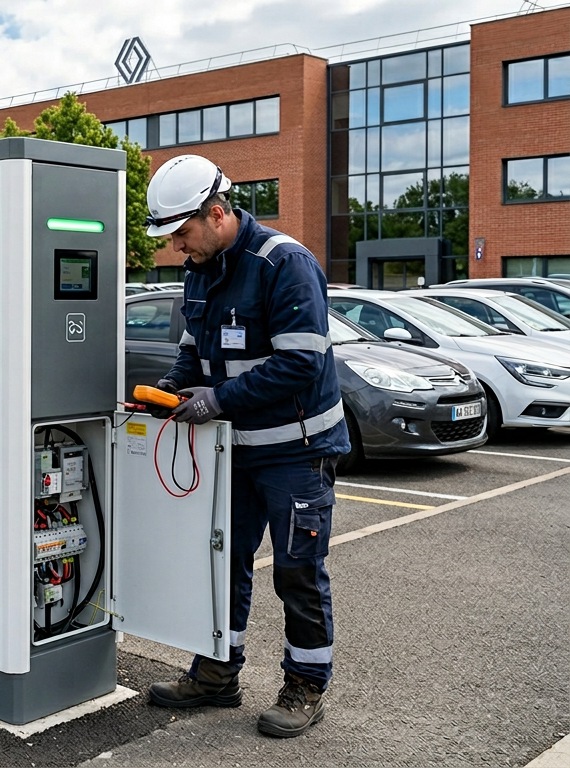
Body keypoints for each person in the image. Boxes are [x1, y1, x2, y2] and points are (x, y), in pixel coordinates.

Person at [142, 154, 349, 738]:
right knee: (219, 561)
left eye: (181, 233)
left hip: (295, 452)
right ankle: (217, 672)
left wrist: (220, 400)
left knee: (296, 570)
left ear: (216, 213)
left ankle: (306, 685)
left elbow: (301, 364)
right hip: (232, 452)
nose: (177, 247)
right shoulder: (200, 270)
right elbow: (192, 349)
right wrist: (173, 387)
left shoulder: (285, 263)